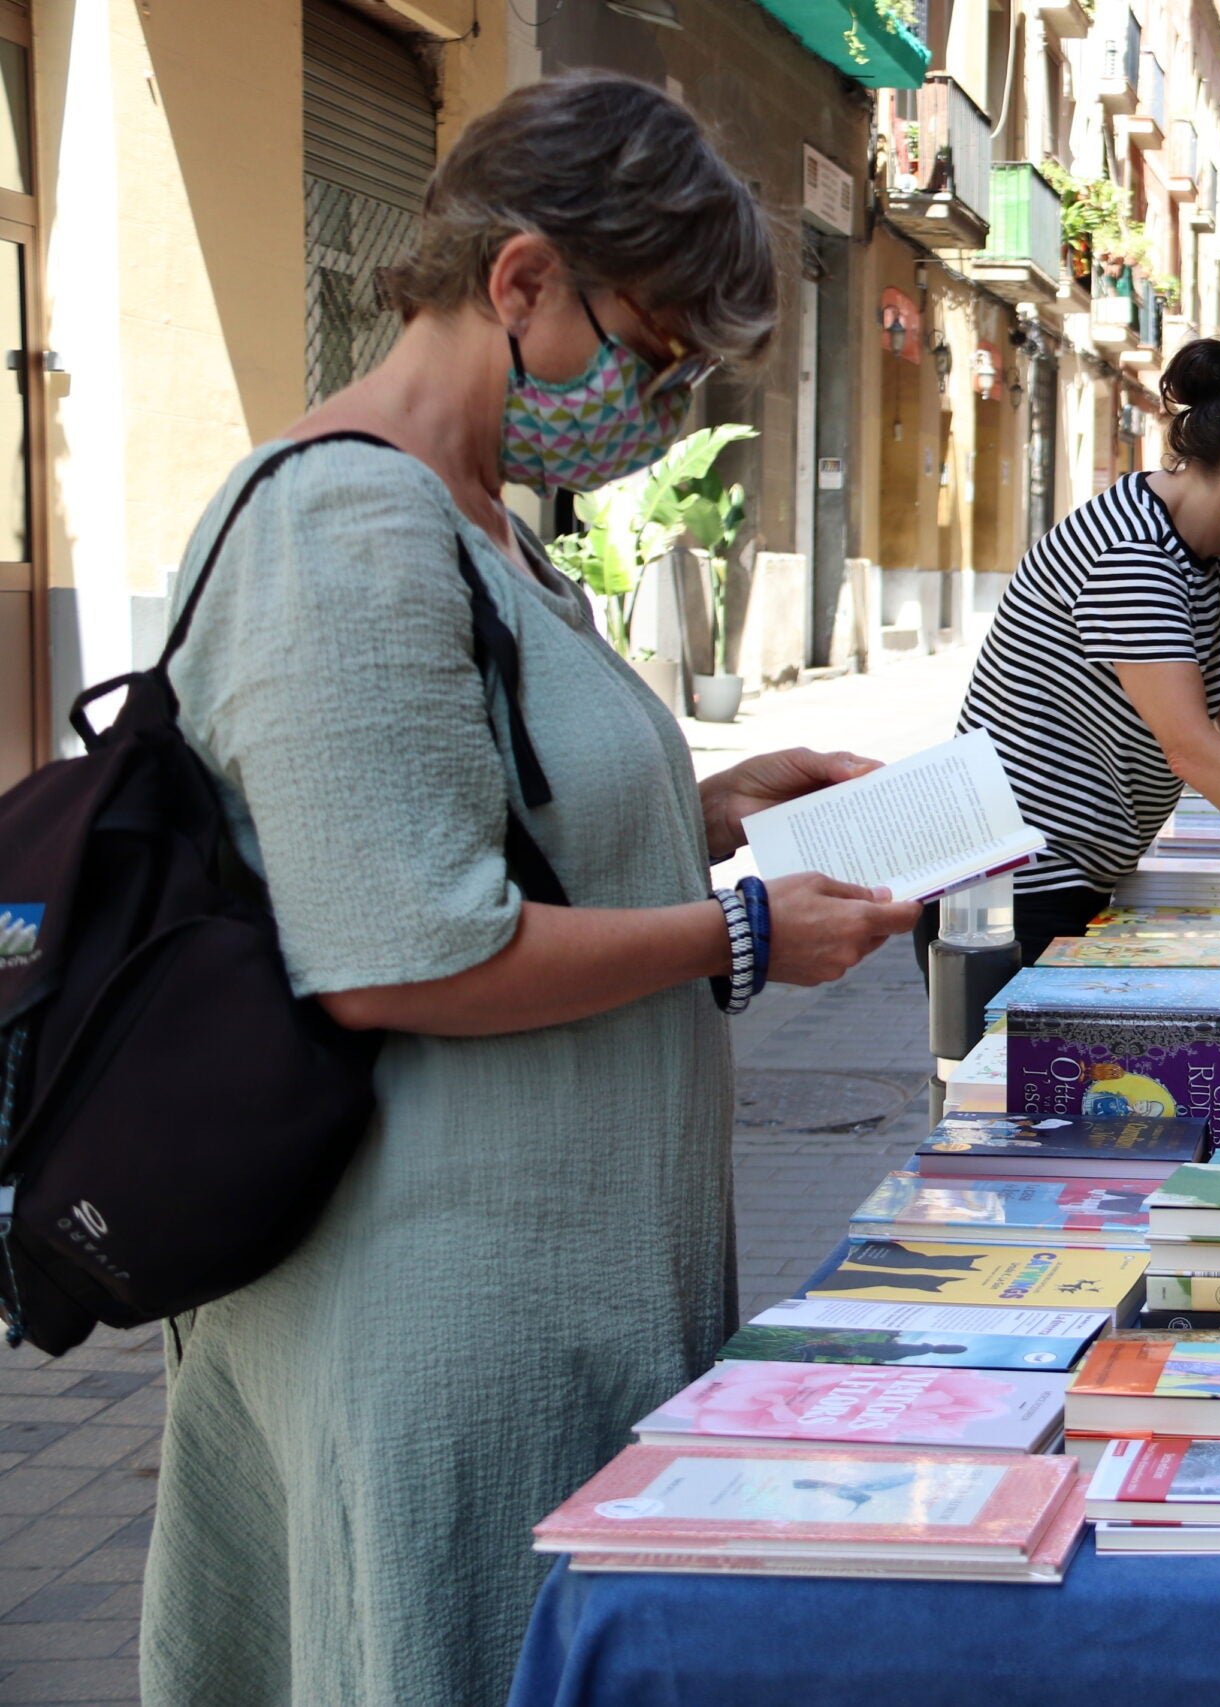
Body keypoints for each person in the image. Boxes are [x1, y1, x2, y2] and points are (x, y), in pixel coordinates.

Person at [141, 75, 920, 1706]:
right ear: (518, 283)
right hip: (436, 1309)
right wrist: (750, 934)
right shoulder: (344, 527)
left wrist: (713, 808)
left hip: (554, 1285)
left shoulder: (486, 526)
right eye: (651, 353)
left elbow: (490, 828)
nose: (661, 403)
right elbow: (398, 951)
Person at [918, 339, 1220, 965]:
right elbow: (1194, 748)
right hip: (1009, 893)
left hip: (1077, 875)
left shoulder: (1212, 551)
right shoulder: (1132, 555)